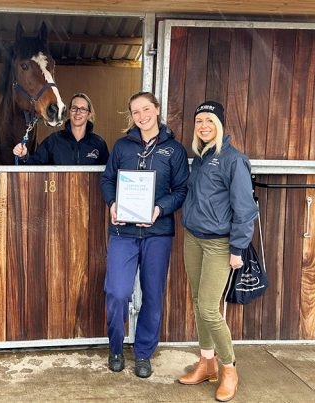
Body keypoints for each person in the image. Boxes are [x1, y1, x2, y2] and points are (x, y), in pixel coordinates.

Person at [100, 91, 189, 378]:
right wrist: (112, 203)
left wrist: (159, 209)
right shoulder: (122, 146)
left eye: (146, 109)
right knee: (117, 292)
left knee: (152, 294)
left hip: (157, 233)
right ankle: (115, 347)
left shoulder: (173, 150)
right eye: (135, 112)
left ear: (157, 109)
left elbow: (181, 191)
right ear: (131, 116)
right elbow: (108, 179)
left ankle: (143, 353)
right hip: (123, 232)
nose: (142, 116)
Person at [178, 101, 258, 402]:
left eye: (209, 120)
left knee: (210, 308)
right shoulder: (199, 159)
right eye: (198, 120)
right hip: (193, 239)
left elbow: (245, 209)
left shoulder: (233, 160)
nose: (203, 125)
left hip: (219, 243)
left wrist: (237, 247)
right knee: (199, 302)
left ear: (220, 124)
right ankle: (207, 362)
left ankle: (229, 368)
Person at [12, 93, 109, 165]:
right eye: (74, 108)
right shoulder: (54, 141)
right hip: (59, 192)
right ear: (69, 112)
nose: (78, 112)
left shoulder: (98, 143)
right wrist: (24, 156)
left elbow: (108, 175)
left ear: (89, 114)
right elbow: (35, 166)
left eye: (83, 109)